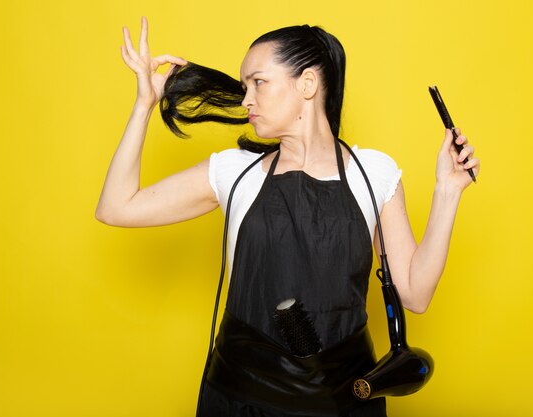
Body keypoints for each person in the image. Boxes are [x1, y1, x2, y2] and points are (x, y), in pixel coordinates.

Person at [95, 16, 480, 417]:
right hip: (241, 399)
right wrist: (144, 105)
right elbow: (116, 207)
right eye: (245, 87)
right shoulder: (233, 172)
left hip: (344, 401)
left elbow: (415, 294)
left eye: (258, 83)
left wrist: (447, 191)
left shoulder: (374, 173)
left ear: (308, 85)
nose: (246, 100)